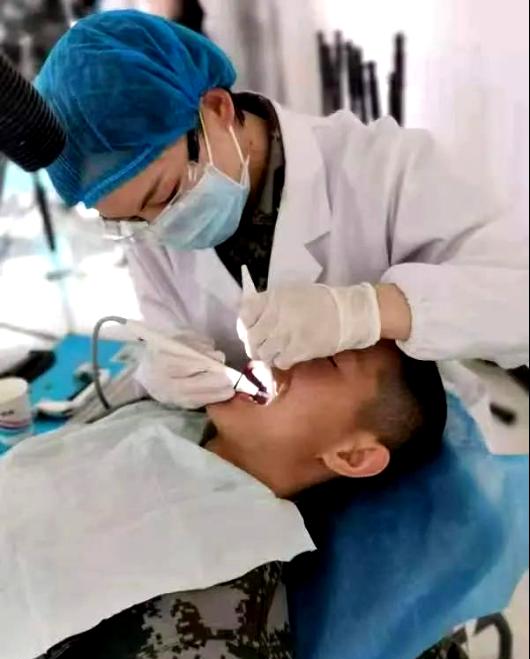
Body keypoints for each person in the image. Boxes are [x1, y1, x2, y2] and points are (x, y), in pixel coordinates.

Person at [34, 10, 528, 412]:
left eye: (163, 195)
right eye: (133, 221)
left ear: (217, 109)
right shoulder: (150, 226)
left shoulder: (386, 169)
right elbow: (165, 335)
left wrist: (372, 312)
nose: (161, 226)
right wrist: (162, 370)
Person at [0, 343, 461, 659]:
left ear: (353, 455)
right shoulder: (162, 422)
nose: (280, 352)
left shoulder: (208, 642)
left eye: (328, 360)